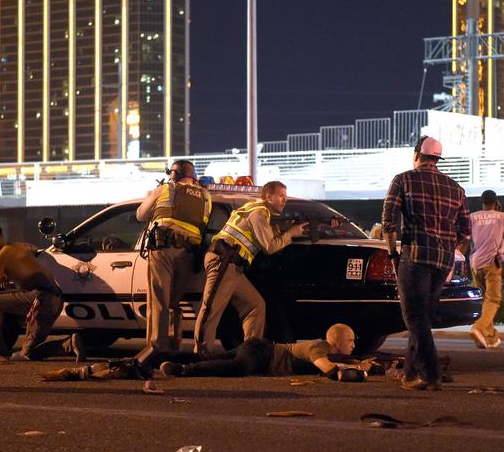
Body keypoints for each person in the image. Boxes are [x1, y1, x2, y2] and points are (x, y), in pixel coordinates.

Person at [382, 136, 470, 391]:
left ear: (416, 154)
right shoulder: (456, 188)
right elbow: (465, 231)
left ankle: (431, 374)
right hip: (443, 261)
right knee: (422, 318)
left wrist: (391, 253)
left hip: (416, 255)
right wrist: (450, 252)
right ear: (437, 159)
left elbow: (389, 220)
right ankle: (410, 374)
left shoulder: (403, 179)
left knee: (414, 316)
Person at [37, 323, 375, 382]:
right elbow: (331, 371)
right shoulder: (319, 348)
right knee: (239, 368)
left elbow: (338, 363)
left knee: (212, 358)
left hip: (258, 349)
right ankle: (183, 372)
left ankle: (158, 360)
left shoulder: (329, 350)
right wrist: (358, 371)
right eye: (351, 343)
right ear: (336, 342)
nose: (354, 345)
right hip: (262, 353)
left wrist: (359, 362)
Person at [193, 180, 306, 354]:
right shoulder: (259, 213)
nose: (285, 200)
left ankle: (251, 352)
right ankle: (200, 354)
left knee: (256, 305)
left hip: (233, 266)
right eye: (281, 196)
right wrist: (291, 233)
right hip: (223, 261)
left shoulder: (256, 210)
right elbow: (269, 246)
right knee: (211, 309)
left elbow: (267, 234)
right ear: (268, 197)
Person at [0, 226, 84, 363]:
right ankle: (69, 344)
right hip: (56, 300)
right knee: (28, 353)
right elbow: (33, 249)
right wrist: (4, 271)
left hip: (40, 300)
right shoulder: (21, 246)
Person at [136, 160, 212, 351]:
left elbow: (140, 215)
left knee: (159, 301)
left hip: (163, 249)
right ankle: (173, 346)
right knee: (174, 302)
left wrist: (150, 196)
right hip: (188, 253)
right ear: (193, 176)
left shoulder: (164, 190)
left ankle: (156, 350)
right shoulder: (206, 196)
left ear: (173, 174)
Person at [468, 190, 504, 349]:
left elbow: (465, 240)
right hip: (492, 263)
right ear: (496, 201)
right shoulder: (501, 217)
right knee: (494, 299)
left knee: (484, 300)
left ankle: (490, 338)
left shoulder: (472, 217)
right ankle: (479, 327)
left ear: (481, 202)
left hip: (475, 264)